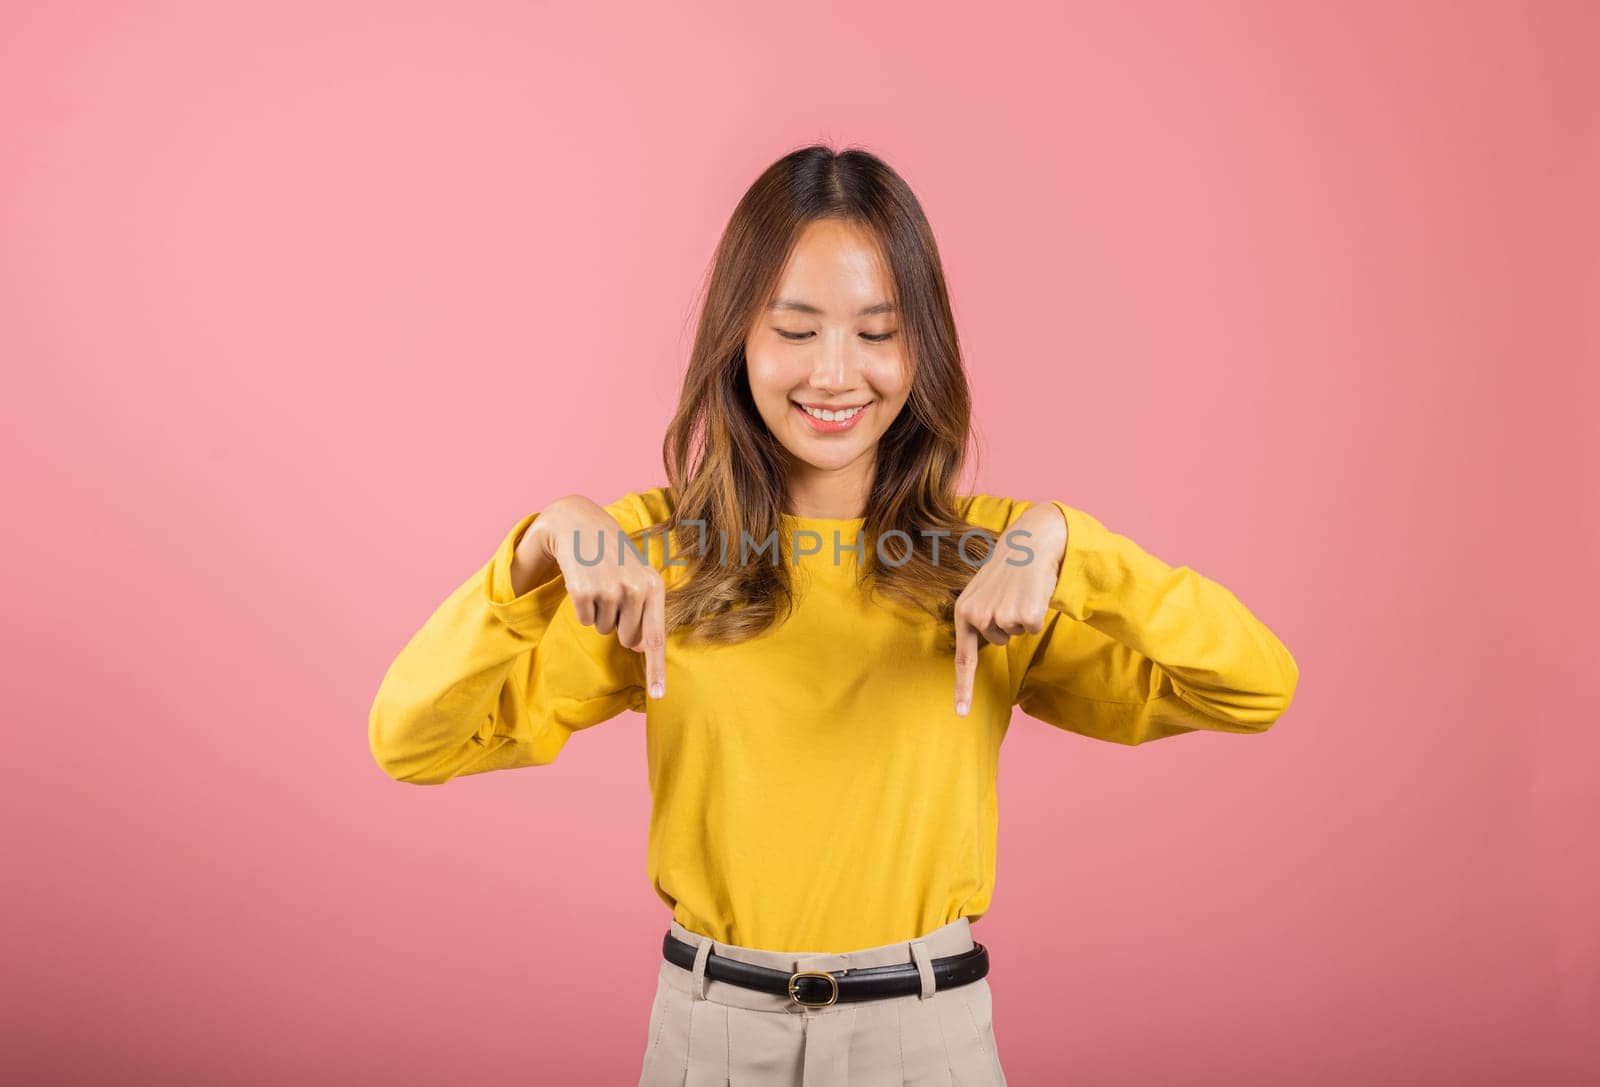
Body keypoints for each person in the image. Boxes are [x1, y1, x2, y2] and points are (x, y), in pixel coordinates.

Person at [367, 143, 1300, 1086]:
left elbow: (1253, 687)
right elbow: (414, 741)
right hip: (711, 1040)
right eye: (798, 330)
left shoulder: (995, 566)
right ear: (739, 338)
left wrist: (1070, 544)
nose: (836, 373)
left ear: (921, 347)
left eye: (876, 331)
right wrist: (539, 546)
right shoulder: (653, 561)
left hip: (925, 1039)